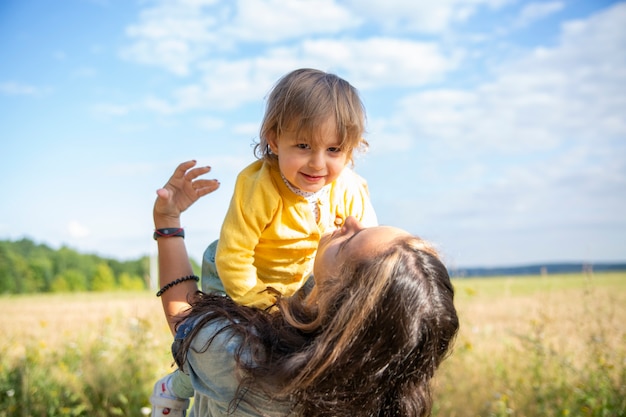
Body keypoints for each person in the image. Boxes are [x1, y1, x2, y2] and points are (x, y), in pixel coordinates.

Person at [150, 161, 459, 417]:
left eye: (349, 242)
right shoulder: (379, 394)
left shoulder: (241, 359)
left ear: (335, 303)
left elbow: (183, 316)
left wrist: (167, 223)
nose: (351, 219)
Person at [151, 68, 377, 414]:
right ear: (273, 139)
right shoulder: (259, 186)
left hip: (299, 287)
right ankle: (180, 382)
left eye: (334, 149)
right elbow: (234, 258)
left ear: (351, 148)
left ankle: (182, 382)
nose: (318, 163)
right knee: (207, 341)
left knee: (202, 349)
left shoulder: (350, 187)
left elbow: (367, 252)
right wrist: (266, 308)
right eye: (303, 146)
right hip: (237, 282)